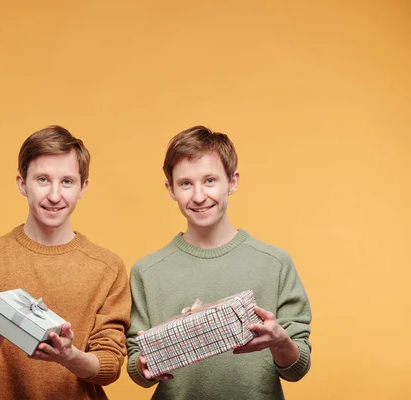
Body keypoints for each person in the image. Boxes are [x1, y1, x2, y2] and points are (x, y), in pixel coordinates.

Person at [126, 126, 312, 400]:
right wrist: (144, 365)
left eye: (210, 180)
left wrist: (280, 341)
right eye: (186, 183)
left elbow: (297, 369)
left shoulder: (275, 263)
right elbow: (135, 364)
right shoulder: (147, 271)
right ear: (171, 189)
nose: (199, 196)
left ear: (232, 182)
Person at [0, 125, 131, 400]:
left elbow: (110, 366)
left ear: (83, 186)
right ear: (22, 183)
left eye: (67, 182)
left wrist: (69, 356)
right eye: (43, 179)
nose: (55, 195)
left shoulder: (107, 267)